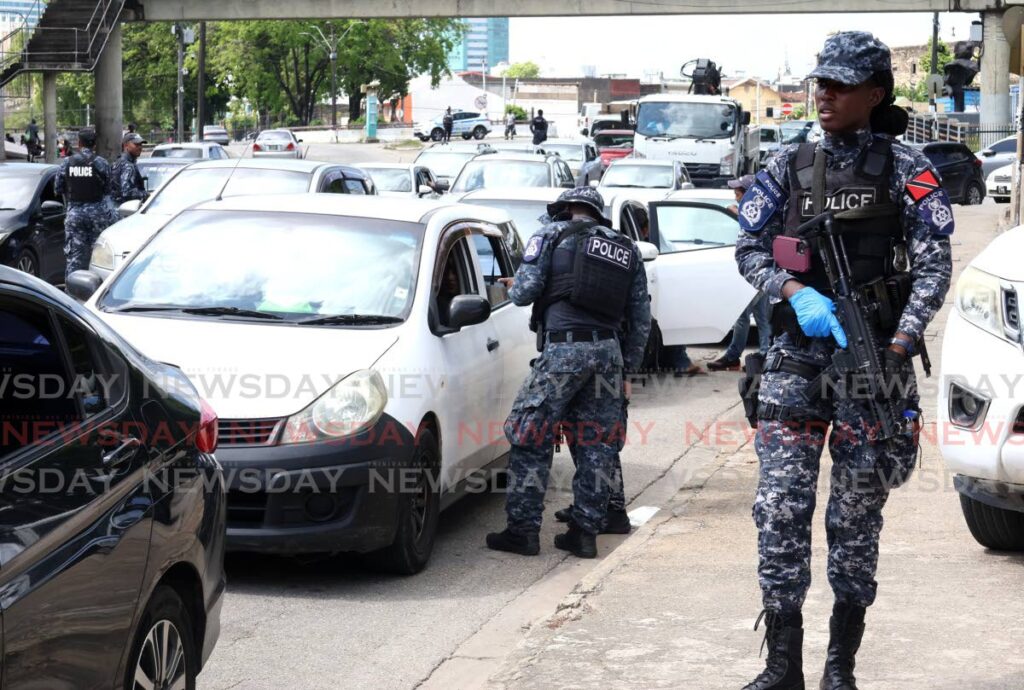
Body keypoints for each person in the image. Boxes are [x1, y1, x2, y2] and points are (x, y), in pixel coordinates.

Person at [734, 32, 952, 690]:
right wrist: (792, 292)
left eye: (840, 84)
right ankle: (781, 668)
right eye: (819, 82)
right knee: (779, 508)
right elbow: (748, 246)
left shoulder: (905, 164)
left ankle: (839, 670)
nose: (823, 94)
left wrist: (900, 344)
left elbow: (934, 265)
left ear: (875, 93)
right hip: (795, 364)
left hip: (873, 364)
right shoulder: (789, 164)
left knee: (855, 517)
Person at [486, 187, 651, 559]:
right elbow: (641, 319)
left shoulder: (549, 234)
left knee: (530, 434)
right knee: (597, 445)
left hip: (564, 350)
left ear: (563, 210)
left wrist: (515, 285)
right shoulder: (626, 248)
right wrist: (629, 370)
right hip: (609, 353)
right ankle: (584, 533)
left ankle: (523, 531)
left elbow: (525, 292)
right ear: (596, 213)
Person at [707, 174, 772, 371]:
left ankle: (736, 356)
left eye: (738, 193)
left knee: (741, 314)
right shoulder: (753, 210)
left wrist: (739, 215)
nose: (735, 197)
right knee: (762, 316)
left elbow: (755, 232)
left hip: (756, 271)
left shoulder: (757, 213)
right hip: (757, 272)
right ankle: (763, 356)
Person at [55, 128, 119, 283]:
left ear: (79, 142)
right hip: (98, 215)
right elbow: (110, 190)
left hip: (75, 215)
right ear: (95, 144)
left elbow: (58, 188)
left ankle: (72, 294)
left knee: (75, 258)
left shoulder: (67, 163)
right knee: (99, 257)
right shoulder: (102, 163)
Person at [110, 132, 149, 206]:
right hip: (125, 209)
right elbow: (126, 192)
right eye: (136, 144)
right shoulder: (128, 165)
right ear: (126, 145)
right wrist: (146, 195)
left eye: (141, 145)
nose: (140, 147)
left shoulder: (118, 162)